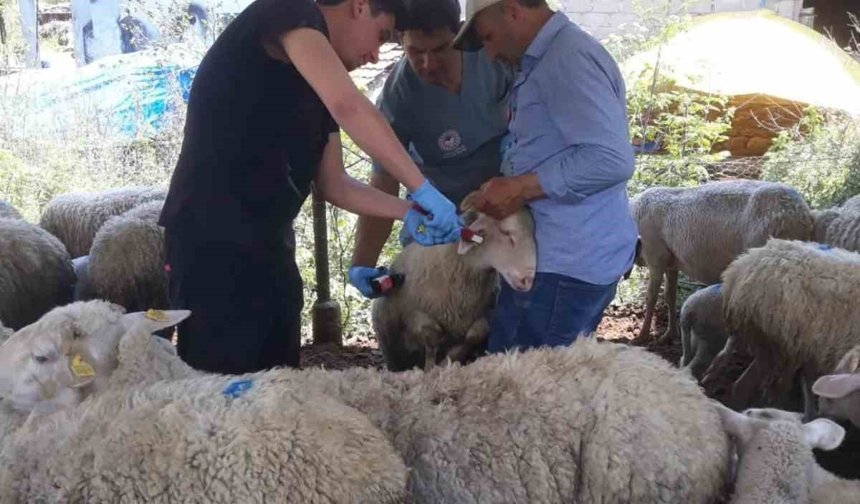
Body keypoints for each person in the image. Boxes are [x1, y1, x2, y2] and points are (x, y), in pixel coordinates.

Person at [158, 0, 463, 374]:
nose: (373, 55)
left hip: (270, 247)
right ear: (359, 6)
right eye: (381, 36)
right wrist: (422, 187)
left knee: (280, 384)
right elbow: (349, 105)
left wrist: (411, 212)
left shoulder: (315, 84)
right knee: (219, 386)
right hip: (212, 245)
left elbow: (336, 184)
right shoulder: (287, 12)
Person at [451, 0, 639, 351]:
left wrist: (520, 187)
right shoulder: (550, 58)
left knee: (521, 391)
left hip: (562, 270)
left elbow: (610, 159)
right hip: (560, 263)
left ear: (511, 10)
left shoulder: (567, 60)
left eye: (488, 37)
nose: (489, 54)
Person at [347, 0, 513, 298]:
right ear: (401, 43)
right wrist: (362, 263)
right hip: (440, 228)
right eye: (415, 52)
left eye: (440, 49)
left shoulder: (495, 60)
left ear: (460, 34)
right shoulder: (399, 97)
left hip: (504, 208)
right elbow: (384, 181)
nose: (428, 64)